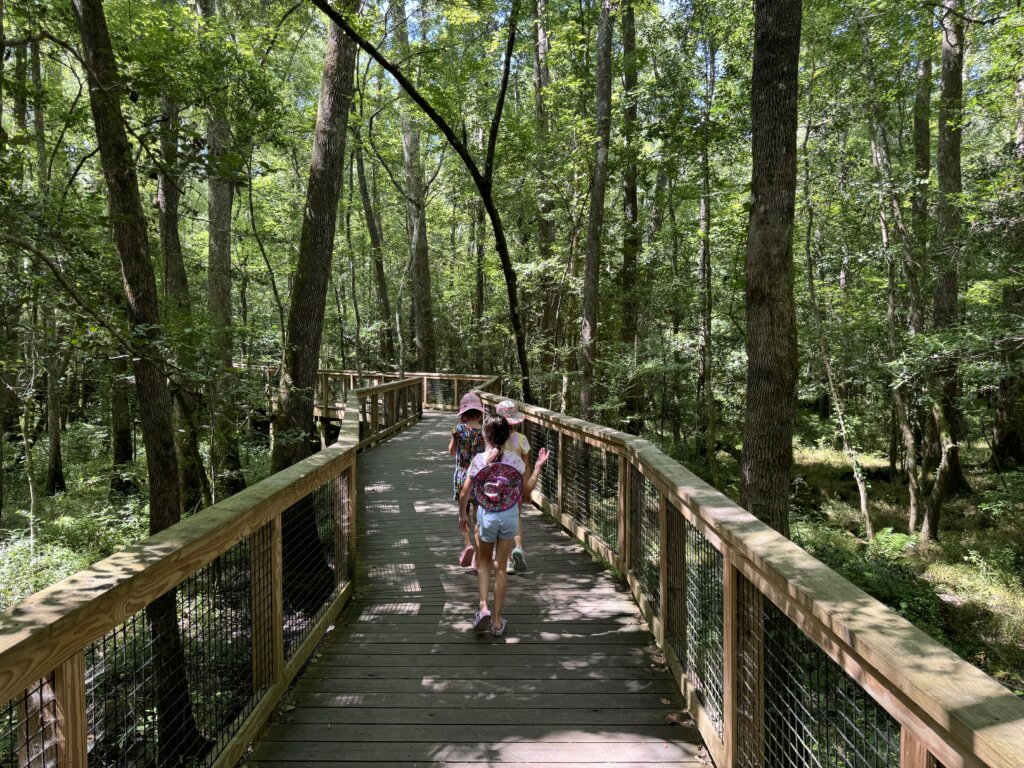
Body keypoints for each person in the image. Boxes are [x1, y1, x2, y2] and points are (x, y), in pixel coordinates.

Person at [458, 414, 549, 637]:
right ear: (508, 435)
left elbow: (464, 492)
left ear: (485, 436)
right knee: (501, 568)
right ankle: (497, 622)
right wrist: (537, 467)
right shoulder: (515, 461)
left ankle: (483, 608)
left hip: (487, 516)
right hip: (509, 517)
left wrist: (462, 515)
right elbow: (526, 492)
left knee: (484, 563)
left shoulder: (479, 460)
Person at [449, 392, 485, 568]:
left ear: (463, 413)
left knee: (464, 513)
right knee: (479, 517)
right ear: (479, 413)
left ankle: (467, 544)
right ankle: (477, 558)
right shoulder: (485, 432)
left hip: (462, 474)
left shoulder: (457, 430)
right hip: (479, 477)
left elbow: (451, 451)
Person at [496, 400, 530, 574]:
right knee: (516, 517)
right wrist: (527, 489)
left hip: (498, 485)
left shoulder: (495, 439)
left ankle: (508, 561)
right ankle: (518, 547)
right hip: (516, 484)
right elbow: (526, 466)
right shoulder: (521, 439)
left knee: (502, 521)